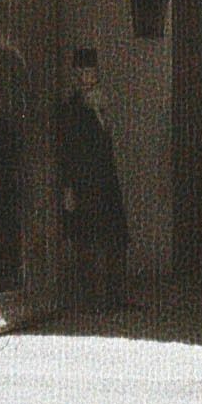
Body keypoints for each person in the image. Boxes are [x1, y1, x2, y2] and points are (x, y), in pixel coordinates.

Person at [56, 46, 130, 313]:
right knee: (87, 240)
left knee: (114, 237)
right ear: (78, 75)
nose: (90, 77)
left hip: (105, 181)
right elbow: (67, 149)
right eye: (85, 72)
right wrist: (68, 187)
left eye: (93, 72)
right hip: (84, 182)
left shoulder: (101, 102)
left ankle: (112, 298)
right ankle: (90, 301)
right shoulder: (73, 108)